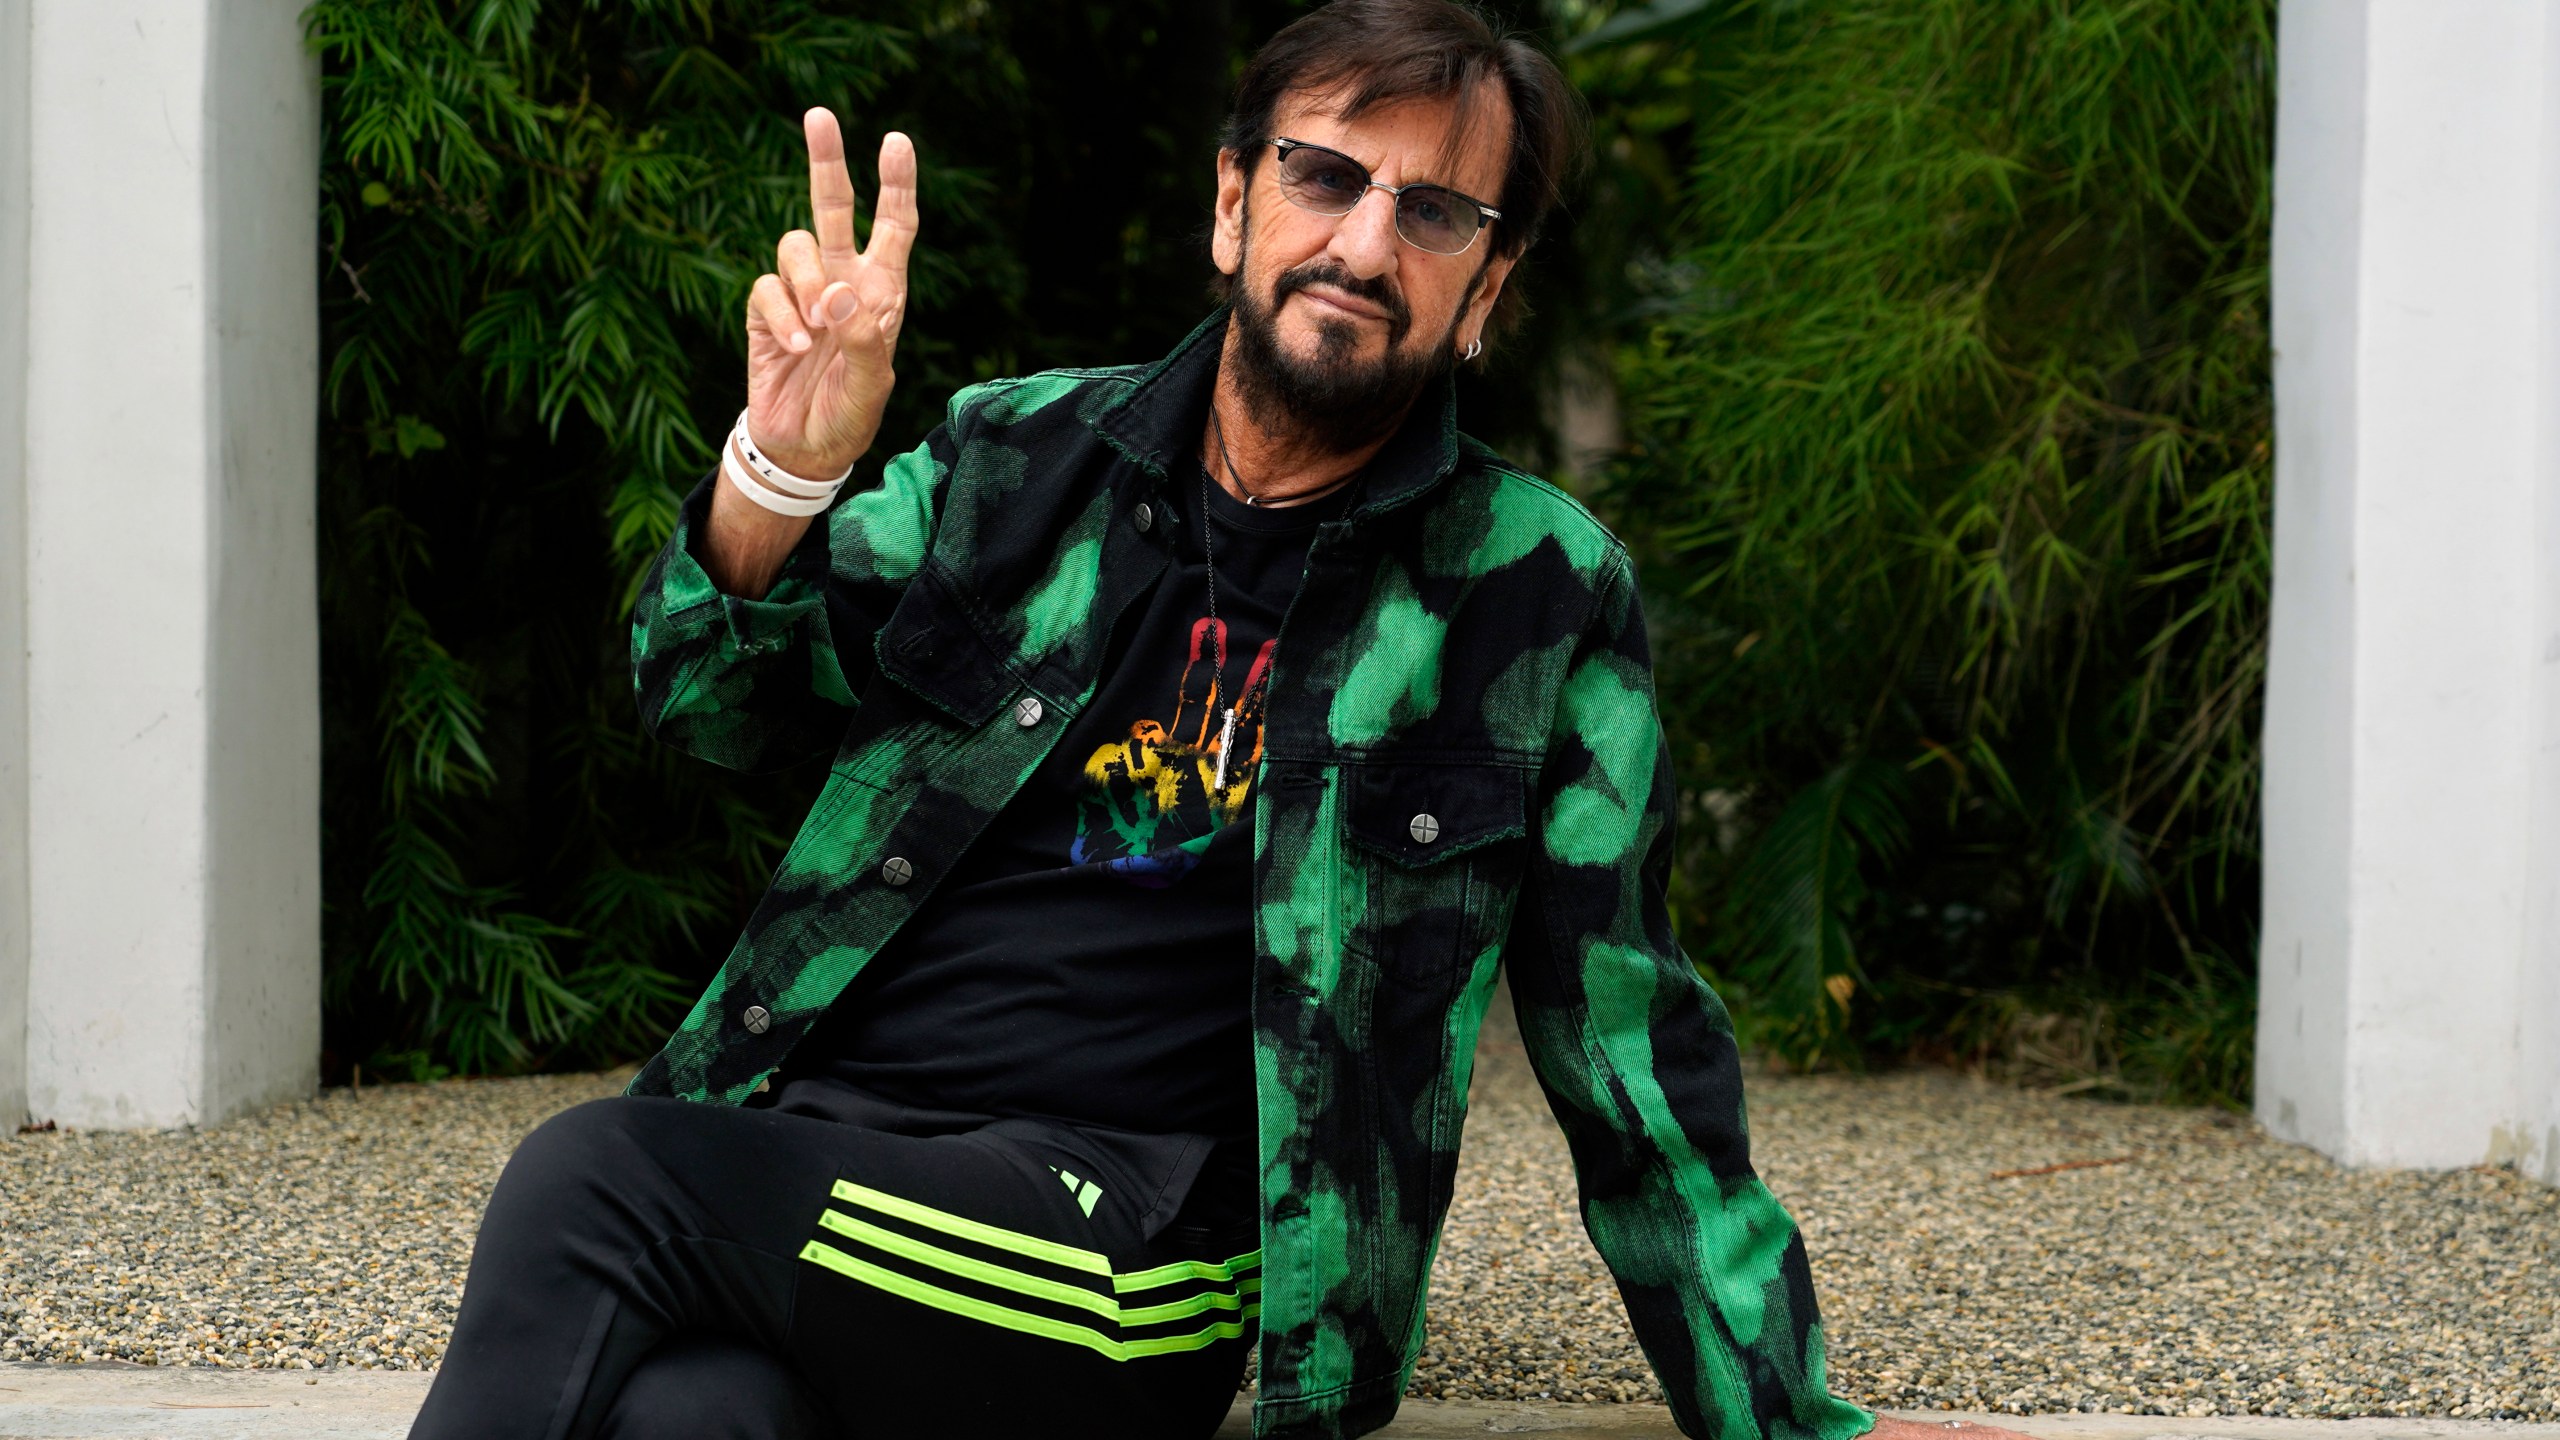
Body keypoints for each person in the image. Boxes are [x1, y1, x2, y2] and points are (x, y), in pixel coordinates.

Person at [407, 4, 2039, 1439]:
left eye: (1437, 209)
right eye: (1329, 176)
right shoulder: (1016, 459)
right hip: (844, 1163)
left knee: (599, 1172)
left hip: (1133, 1247)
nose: (1365, 241)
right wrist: (781, 470)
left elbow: (1628, 1042)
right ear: (1234, 201)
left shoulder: (1531, 593)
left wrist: (1793, 1424)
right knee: (701, 1415)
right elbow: (705, 705)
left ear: (1487, 288)